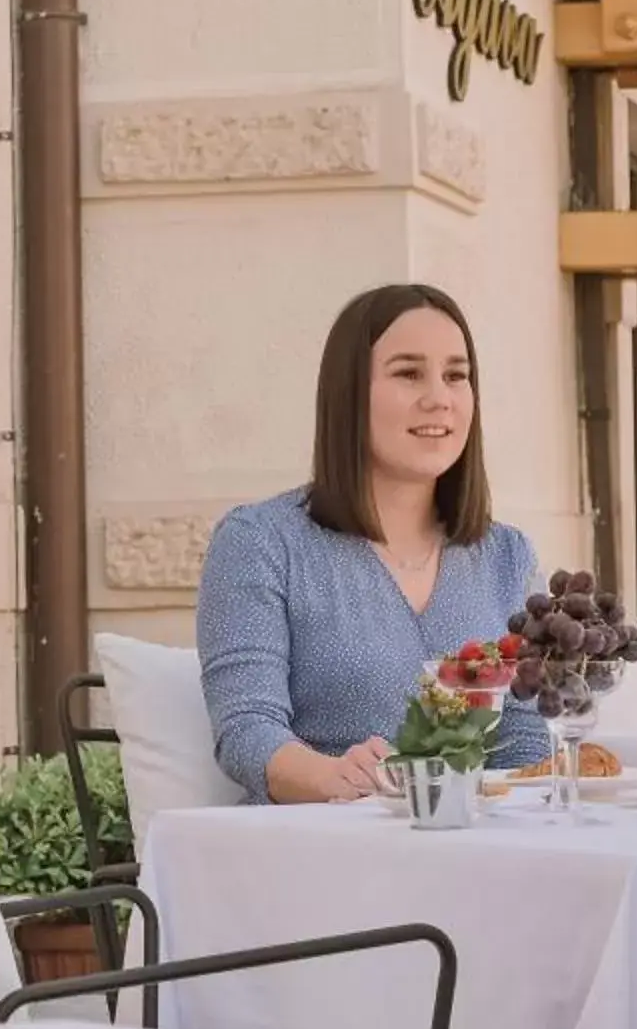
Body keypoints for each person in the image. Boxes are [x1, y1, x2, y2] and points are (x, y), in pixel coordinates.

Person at [197, 284, 550, 803]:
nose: (440, 398)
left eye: (456, 376)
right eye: (409, 373)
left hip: (477, 851)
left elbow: (522, 741)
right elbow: (247, 731)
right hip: (326, 848)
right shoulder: (260, 544)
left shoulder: (506, 556)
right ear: (349, 393)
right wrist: (334, 778)